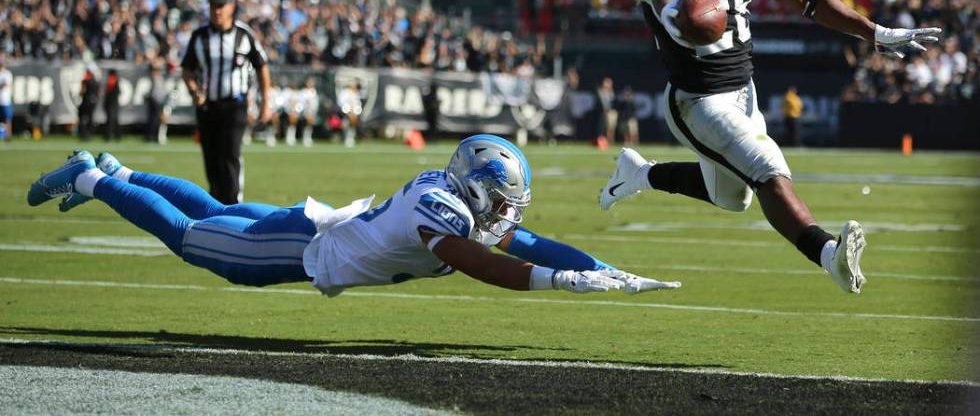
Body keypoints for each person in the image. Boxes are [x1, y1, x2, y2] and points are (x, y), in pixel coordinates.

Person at [601, 0, 942, 294]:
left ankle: (639, 173)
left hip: (745, 90)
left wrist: (874, 32)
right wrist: (674, 12)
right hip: (697, 100)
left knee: (734, 198)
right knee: (768, 169)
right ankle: (828, 254)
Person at [26, 135, 680, 297]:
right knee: (195, 238)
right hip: (305, 248)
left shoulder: (459, 197)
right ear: (475, 187)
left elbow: (530, 239)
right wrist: (559, 282)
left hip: (319, 225)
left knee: (219, 210)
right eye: (500, 197)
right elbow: (483, 262)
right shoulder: (443, 211)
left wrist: (602, 268)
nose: (507, 212)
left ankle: (122, 171)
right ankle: (91, 175)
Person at [182, 0, 272, 204]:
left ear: (231, 7)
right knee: (211, 160)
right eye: (213, 6)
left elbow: (262, 66)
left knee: (229, 157)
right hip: (207, 107)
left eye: (221, 6)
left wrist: (265, 103)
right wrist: (194, 91)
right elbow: (187, 70)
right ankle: (215, 207)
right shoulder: (200, 37)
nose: (217, 11)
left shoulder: (244, 35)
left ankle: (233, 205)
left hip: (235, 105)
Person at [103, 69, 121, 141]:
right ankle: (117, 135)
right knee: (115, 119)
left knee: (110, 120)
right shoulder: (115, 80)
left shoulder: (112, 80)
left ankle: (109, 135)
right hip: (114, 103)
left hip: (111, 103)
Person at [0, 56, 12, 142]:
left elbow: (6, 84)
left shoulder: (7, 73)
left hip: (5, 100)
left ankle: (8, 136)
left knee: (7, 118)